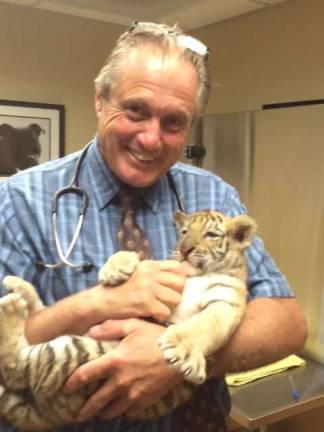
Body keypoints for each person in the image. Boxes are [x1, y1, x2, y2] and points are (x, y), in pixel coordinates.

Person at [0, 21, 307, 432]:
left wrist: (176, 357)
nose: (150, 139)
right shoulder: (20, 200)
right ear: (99, 100)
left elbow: (286, 323)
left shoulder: (212, 196)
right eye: (136, 111)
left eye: (173, 122)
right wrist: (93, 304)